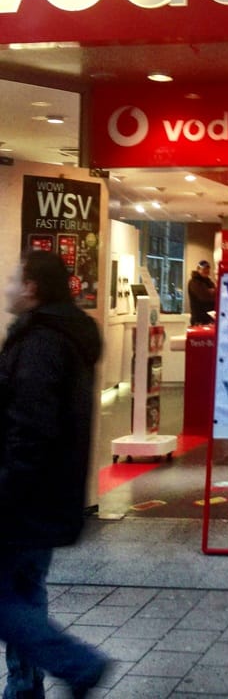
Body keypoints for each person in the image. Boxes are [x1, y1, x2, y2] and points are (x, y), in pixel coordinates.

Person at [0, 250, 109, 698]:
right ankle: (25, 686)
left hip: (23, 495)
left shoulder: (40, 343)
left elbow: (30, 429)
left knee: (10, 599)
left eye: (13, 279)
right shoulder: (62, 335)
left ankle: (78, 664)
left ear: (31, 288)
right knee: (24, 591)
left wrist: (6, 489)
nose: (7, 287)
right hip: (45, 495)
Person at [188, 259, 216, 325]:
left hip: (208, 319)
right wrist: (213, 292)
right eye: (204, 269)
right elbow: (205, 296)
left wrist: (212, 292)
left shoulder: (209, 282)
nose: (206, 271)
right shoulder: (194, 282)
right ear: (198, 269)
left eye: (207, 269)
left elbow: (214, 295)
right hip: (198, 320)